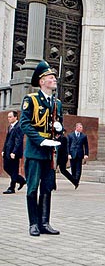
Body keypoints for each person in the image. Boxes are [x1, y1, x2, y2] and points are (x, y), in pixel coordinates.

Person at [20, 60, 64, 236]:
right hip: (36, 150)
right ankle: (33, 224)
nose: (54, 79)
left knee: (47, 187)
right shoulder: (30, 100)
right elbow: (24, 124)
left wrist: (60, 130)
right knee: (32, 188)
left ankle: (45, 222)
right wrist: (41, 140)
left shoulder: (57, 103)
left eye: (54, 77)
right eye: (50, 77)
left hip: (50, 153)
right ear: (41, 81)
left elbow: (57, 126)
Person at [2, 110, 26, 194]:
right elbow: (7, 140)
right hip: (8, 151)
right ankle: (21, 180)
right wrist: (3, 150)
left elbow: (18, 141)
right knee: (6, 167)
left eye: (10, 117)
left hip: (14, 153)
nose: (8, 118)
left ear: (15, 117)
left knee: (14, 170)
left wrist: (14, 152)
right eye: (8, 117)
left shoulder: (19, 127)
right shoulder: (10, 127)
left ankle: (11, 187)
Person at [67, 122, 89, 187]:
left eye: (81, 127)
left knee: (79, 168)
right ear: (77, 128)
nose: (81, 129)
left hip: (80, 154)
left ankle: (77, 180)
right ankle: (74, 179)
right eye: (80, 127)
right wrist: (68, 154)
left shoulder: (84, 136)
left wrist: (86, 154)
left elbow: (86, 146)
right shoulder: (70, 135)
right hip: (72, 154)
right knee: (73, 168)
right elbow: (68, 145)